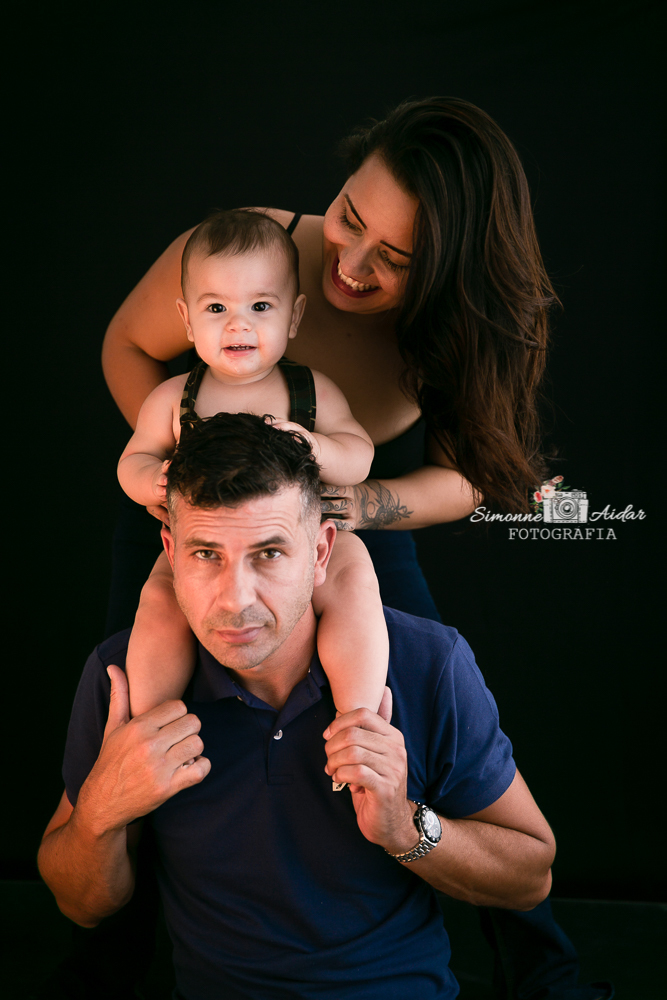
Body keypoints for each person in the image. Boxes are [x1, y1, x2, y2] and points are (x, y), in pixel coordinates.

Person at [99, 97, 611, 1000]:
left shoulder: (462, 327)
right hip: (203, 512)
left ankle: (541, 967)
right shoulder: (247, 253)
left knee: (428, 713)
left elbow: (475, 477)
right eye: (348, 216)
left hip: (352, 519)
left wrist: (360, 502)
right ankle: (109, 959)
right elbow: (128, 347)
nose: (350, 261)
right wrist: (185, 477)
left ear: (449, 272)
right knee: (142, 719)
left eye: (396, 259)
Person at [39, 413, 557, 1000]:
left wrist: (404, 826)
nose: (235, 599)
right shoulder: (124, 677)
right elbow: (81, 905)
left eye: (268, 553)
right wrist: (101, 811)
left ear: (320, 552)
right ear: (170, 553)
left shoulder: (425, 664)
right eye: (206, 553)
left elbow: (530, 879)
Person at [118, 207, 387, 723]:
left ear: (294, 316)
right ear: (186, 320)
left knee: (355, 580)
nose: (238, 323)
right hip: (207, 548)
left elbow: (360, 454)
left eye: (260, 306)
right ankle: (151, 724)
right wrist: (151, 481)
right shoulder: (173, 398)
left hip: (305, 539)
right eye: (216, 307)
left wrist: (317, 446)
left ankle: (358, 717)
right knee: (158, 600)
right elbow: (133, 460)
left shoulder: (312, 391)